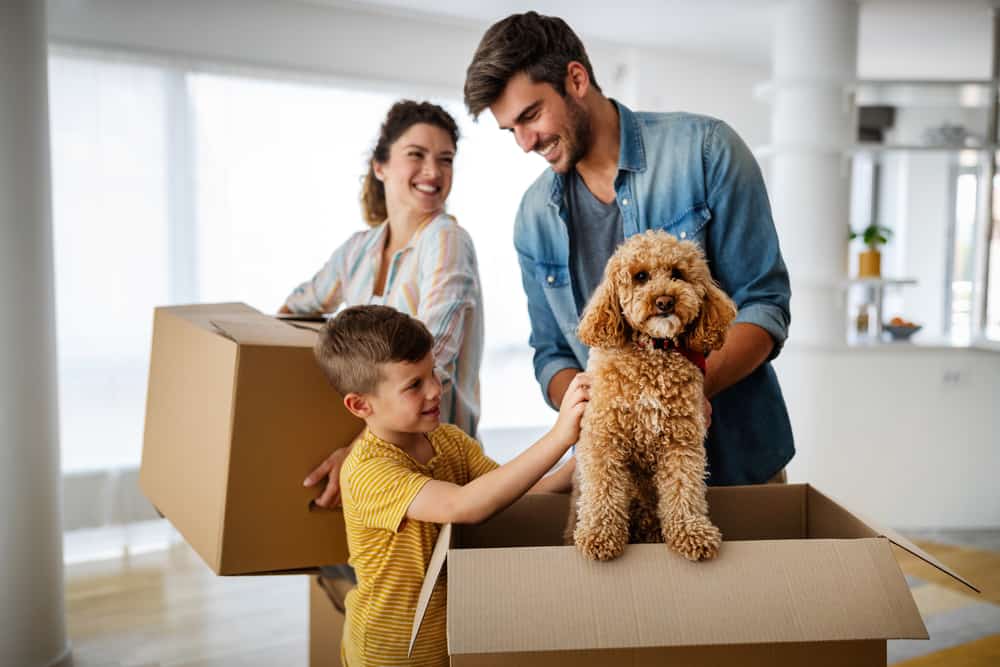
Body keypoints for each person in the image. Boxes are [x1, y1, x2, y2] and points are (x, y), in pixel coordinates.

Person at [463, 12, 794, 486]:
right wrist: (602, 409)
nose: (524, 143)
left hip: (739, 465)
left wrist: (684, 391)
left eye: (531, 116)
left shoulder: (707, 151)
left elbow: (764, 306)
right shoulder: (535, 217)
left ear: (575, 79)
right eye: (510, 129)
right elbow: (552, 354)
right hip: (621, 484)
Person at [315, 305, 589, 666]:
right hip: (391, 653)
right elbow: (463, 506)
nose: (434, 389)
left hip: (449, 640)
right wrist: (558, 436)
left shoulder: (449, 441)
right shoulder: (368, 471)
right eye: (414, 384)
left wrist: (580, 462)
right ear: (360, 405)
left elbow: (513, 495)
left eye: (433, 372)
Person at [280, 100, 484, 507]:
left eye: (446, 160)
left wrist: (358, 452)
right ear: (381, 166)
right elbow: (295, 309)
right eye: (417, 155)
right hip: (373, 461)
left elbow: (433, 358)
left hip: (433, 464)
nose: (433, 172)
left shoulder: (446, 240)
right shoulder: (357, 251)